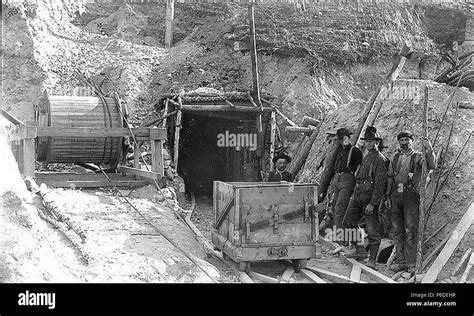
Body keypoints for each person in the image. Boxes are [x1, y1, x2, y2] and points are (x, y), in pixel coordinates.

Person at [385, 131, 436, 273]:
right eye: (401, 140)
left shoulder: (419, 156)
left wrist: (429, 149)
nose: (404, 142)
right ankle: (401, 262)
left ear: (412, 141)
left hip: (410, 196)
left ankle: (411, 264)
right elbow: (390, 177)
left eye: (407, 139)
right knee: (397, 231)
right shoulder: (395, 157)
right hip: (396, 195)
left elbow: (432, 165)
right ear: (398, 142)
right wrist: (388, 196)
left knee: (410, 231)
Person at [342, 126, 388, 269]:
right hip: (358, 195)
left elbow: (380, 184)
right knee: (348, 221)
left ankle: (372, 260)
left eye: (372, 141)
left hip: (369, 199)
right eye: (367, 141)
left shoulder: (380, 159)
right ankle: (360, 250)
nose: (369, 144)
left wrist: (373, 203)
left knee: (372, 230)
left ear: (377, 142)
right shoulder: (366, 156)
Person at [326, 128, 363, 230]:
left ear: (349, 138)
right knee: (334, 205)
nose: (343, 141)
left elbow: (360, 167)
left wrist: (355, 179)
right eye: (340, 139)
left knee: (340, 207)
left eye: (344, 138)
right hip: (337, 179)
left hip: (347, 179)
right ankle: (337, 231)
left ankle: (341, 235)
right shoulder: (339, 151)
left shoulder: (355, 150)